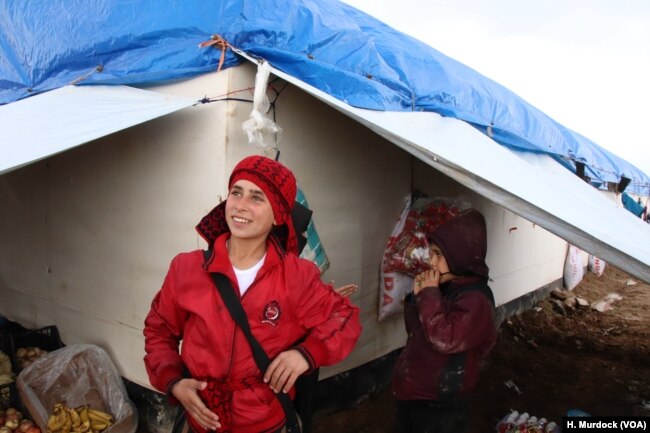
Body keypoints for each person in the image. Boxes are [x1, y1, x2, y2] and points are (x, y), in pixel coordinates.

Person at [143, 155, 362, 433]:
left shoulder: (295, 275)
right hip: (200, 422)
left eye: (257, 197)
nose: (241, 205)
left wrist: (306, 354)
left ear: (278, 216)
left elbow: (344, 316)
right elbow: (159, 330)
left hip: (265, 423)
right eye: (237, 192)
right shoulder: (187, 268)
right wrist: (173, 381)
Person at [391, 208, 497, 433]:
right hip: (414, 392)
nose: (431, 260)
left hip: (441, 403)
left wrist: (428, 295)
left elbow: (443, 339)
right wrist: (415, 298)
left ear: (460, 257)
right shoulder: (447, 287)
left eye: (439, 254)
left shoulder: (476, 300)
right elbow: (415, 331)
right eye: (433, 252)